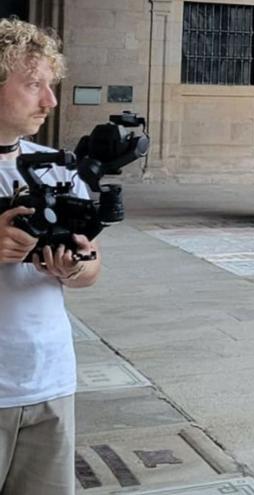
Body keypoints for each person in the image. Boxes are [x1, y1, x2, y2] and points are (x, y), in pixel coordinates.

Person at [0, 17, 102, 495]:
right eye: (33, 84)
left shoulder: (56, 168)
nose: (50, 101)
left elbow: (92, 267)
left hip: (49, 380)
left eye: (50, 84)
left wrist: (76, 266)